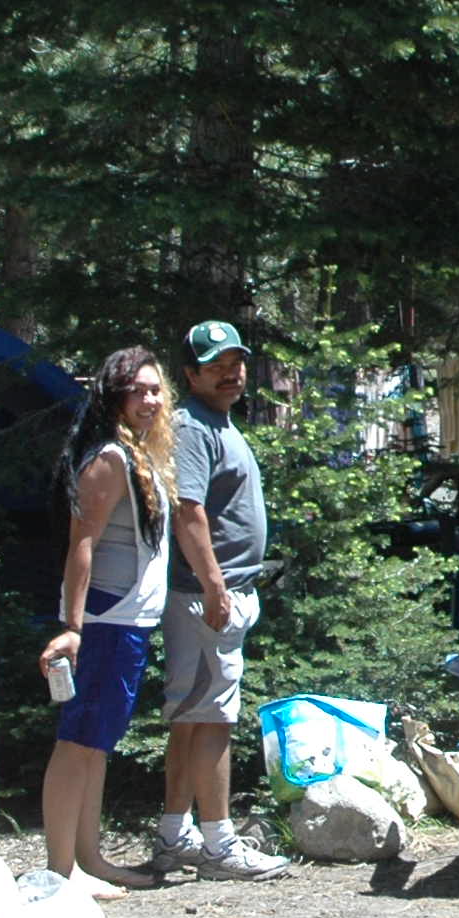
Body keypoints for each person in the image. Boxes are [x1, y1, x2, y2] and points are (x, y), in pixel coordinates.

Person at [144, 322, 288, 881]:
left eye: (236, 362)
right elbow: (188, 511)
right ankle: (218, 845)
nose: (231, 372)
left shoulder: (219, 422)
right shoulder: (191, 427)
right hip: (208, 596)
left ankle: (175, 833)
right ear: (191, 374)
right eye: (216, 365)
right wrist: (214, 586)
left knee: (191, 716)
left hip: (218, 591)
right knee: (213, 719)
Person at [41, 347, 175, 894]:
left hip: (130, 621)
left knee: (98, 740)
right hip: (104, 619)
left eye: (155, 390)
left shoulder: (134, 452)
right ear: (113, 396)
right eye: (137, 390)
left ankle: (88, 857)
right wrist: (73, 627)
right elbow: (82, 542)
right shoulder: (110, 459)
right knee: (77, 740)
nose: (149, 400)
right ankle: (58, 870)